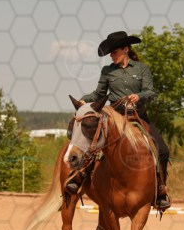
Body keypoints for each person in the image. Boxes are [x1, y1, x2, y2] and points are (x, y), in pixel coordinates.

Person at [68, 31, 171, 210]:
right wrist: (84, 100)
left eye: (114, 52)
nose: (111, 56)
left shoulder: (141, 69)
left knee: (162, 150)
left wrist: (139, 96)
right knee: (95, 143)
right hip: (114, 117)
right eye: (110, 53)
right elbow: (98, 94)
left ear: (125, 50)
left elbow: (150, 92)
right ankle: (79, 177)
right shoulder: (107, 71)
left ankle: (160, 189)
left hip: (137, 117)